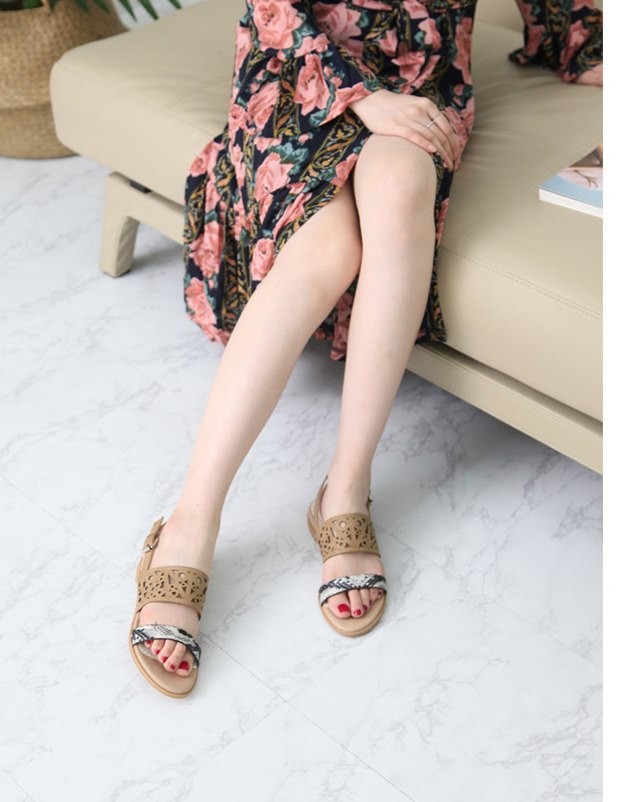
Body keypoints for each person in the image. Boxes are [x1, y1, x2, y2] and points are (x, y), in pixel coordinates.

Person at [129, 0, 603, 698]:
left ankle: (345, 490)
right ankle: (189, 522)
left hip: (420, 82)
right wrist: (359, 96)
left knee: (402, 181)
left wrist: (582, 42)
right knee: (328, 248)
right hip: (296, 74)